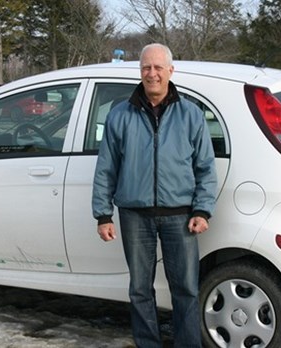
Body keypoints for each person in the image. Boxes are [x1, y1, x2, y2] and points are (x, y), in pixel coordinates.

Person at [92, 43, 218, 347]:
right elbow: (106, 166)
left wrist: (202, 210)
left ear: (170, 71)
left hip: (180, 215)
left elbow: (205, 167)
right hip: (134, 215)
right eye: (146, 67)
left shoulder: (190, 115)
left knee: (185, 289)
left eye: (158, 67)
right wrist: (103, 213)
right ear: (140, 71)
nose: (152, 74)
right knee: (139, 289)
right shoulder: (120, 115)